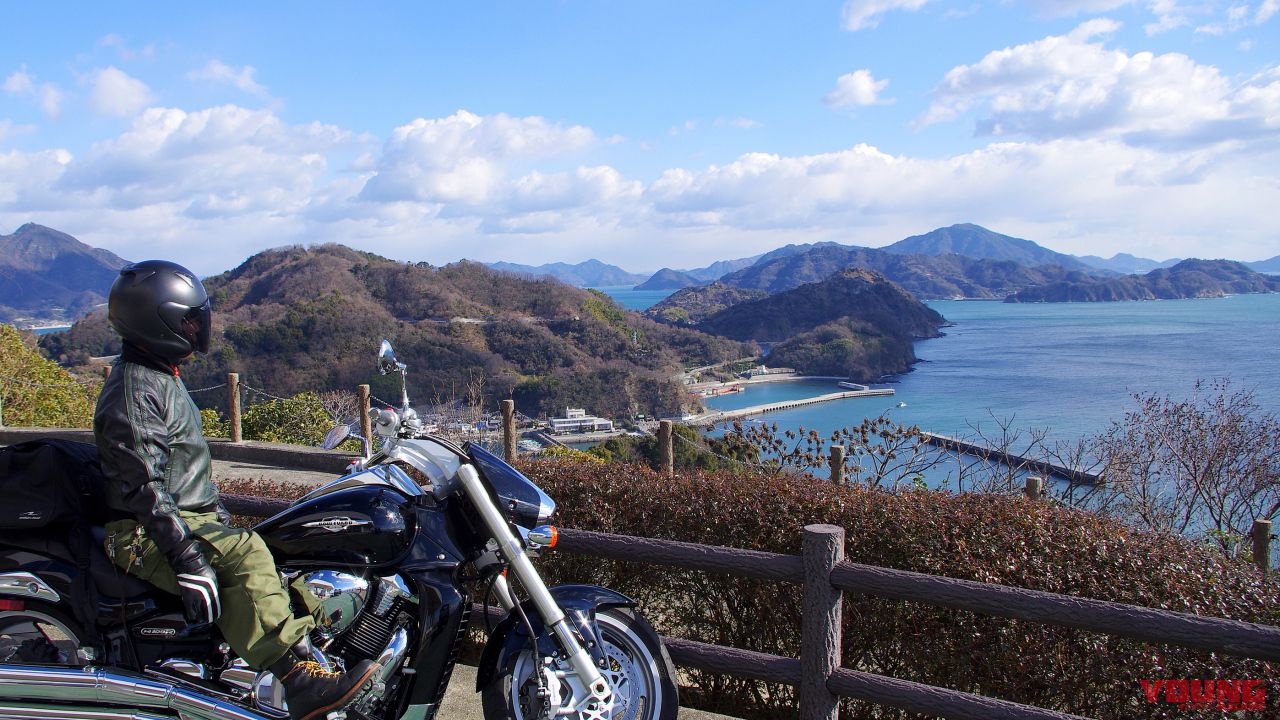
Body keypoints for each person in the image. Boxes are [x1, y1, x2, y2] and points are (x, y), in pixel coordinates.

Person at [93, 260, 380, 720]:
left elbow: (180, 478)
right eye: (186, 319)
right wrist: (187, 558)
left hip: (177, 522)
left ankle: (311, 649)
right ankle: (299, 680)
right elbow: (143, 485)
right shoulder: (135, 390)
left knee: (283, 549)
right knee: (246, 552)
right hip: (144, 535)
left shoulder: (158, 375)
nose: (195, 327)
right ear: (157, 322)